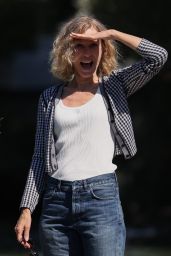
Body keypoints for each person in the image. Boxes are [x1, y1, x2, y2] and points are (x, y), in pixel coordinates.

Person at [14, 15, 168, 256]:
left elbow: (158, 56)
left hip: (101, 201)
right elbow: (38, 158)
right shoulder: (49, 98)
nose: (87, 53)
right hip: (56, 205)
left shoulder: (115, 85)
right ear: (68, 52)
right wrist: (26, 209)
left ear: (102, 49)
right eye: (79, 46)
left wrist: (112, 33)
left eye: (93, 44)